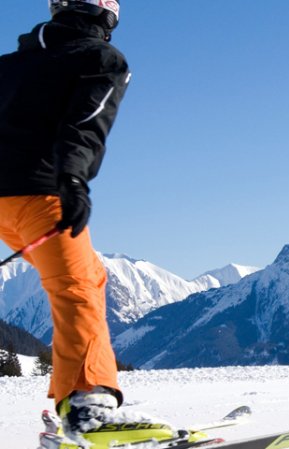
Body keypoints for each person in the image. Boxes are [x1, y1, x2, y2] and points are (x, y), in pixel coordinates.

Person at [0, 1, 176, 447]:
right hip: (40, 196)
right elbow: (85, 124)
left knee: (90, 278)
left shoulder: (10, 64)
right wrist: (74, 178)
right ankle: (87, 407)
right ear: (105, 12)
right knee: (76, 288)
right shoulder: (101, 59)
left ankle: (76, 397)